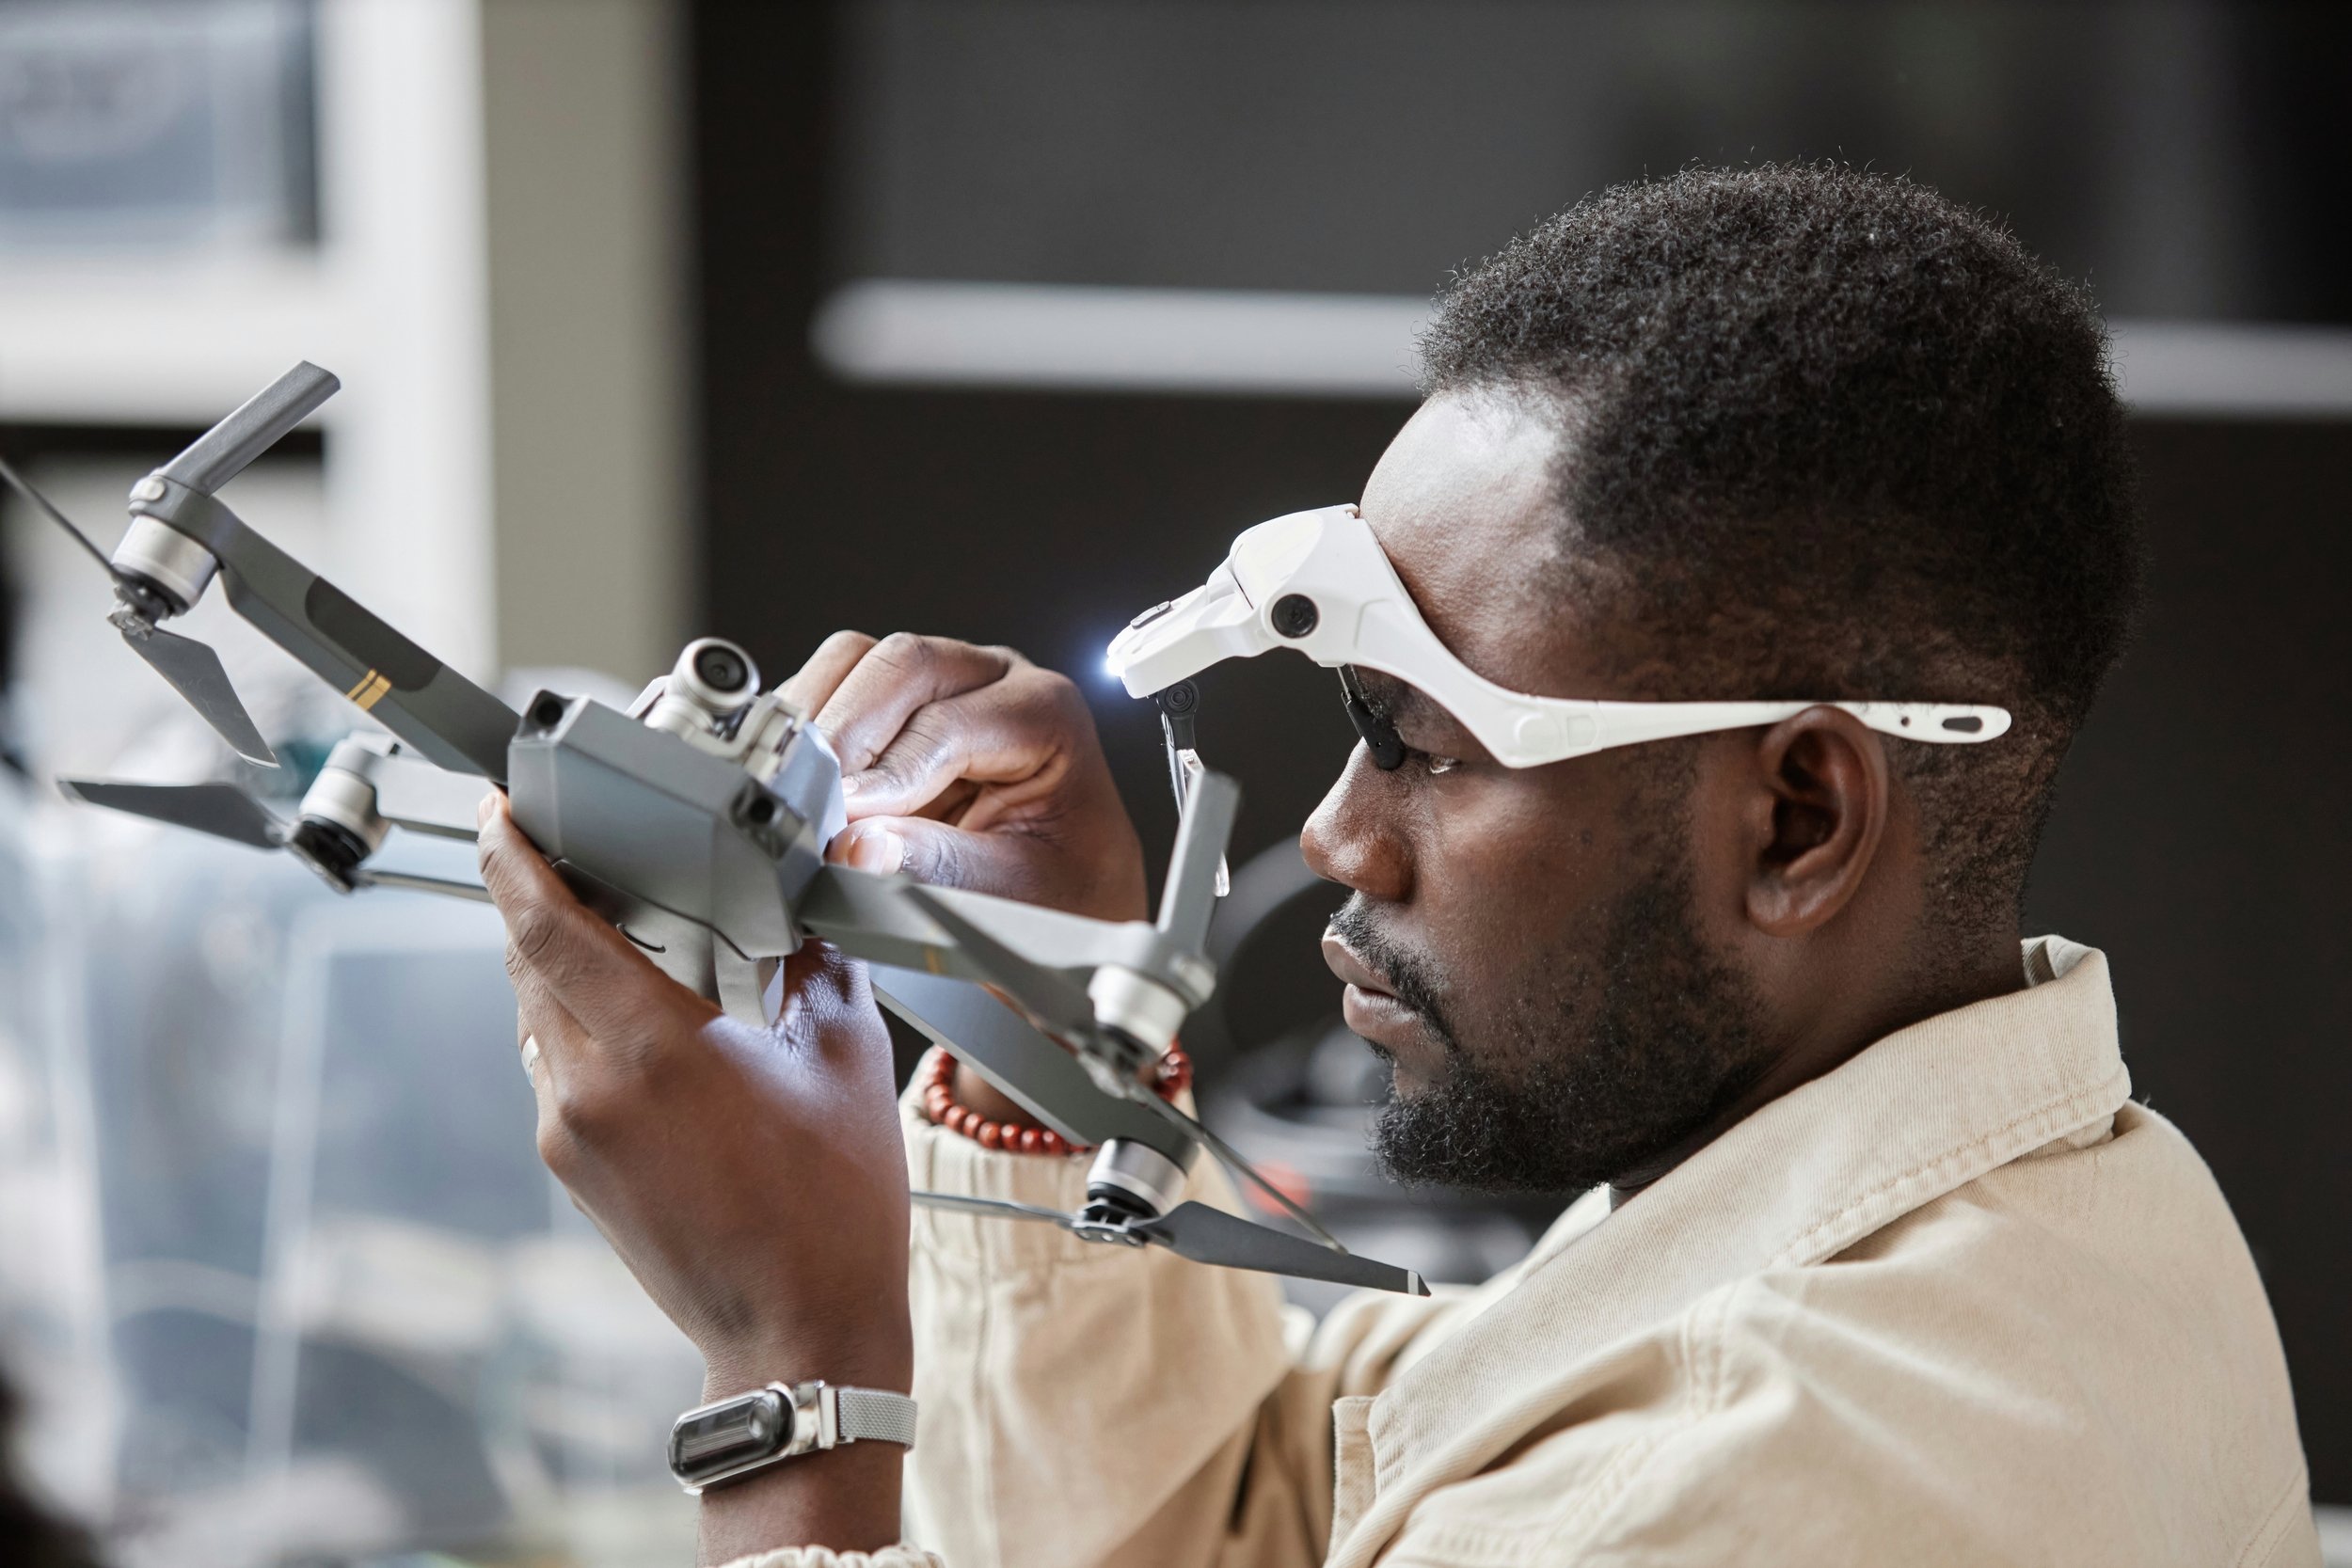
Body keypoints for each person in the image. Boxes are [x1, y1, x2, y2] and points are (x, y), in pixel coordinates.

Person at [473, 166, 2319, 1567]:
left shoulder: (1747, 1483)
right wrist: (1045, 1042)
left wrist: (790, 1354)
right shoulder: (1988, 1209)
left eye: (1423, 745)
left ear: (1793, 821)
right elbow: (1267, 1520)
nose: (1337, 835)